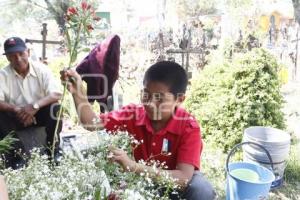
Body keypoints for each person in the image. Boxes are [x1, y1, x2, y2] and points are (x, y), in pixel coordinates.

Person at [61, 61, 216, 200]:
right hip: (145, 183)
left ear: (179, 100)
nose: (150, 103)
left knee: (201, 189)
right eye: (146, 95)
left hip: (178, 189)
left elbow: (182, 179)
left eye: (160, 98)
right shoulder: (134, 114)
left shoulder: (188, 127)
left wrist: (133, 166)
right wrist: (77, 92)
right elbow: (92, 123)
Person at [0, 37, 62, 168]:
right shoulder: (3, 74)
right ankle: (18, 156)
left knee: (55, 107)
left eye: (21, 54)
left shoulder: (42, 69)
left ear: (27, 52)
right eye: (12, 55)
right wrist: (17, 110)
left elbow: (56, 93)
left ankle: (53, 150)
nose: (18, 59)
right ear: (7, 58)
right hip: (16, 117)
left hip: (38, 114)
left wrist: (35, 106)